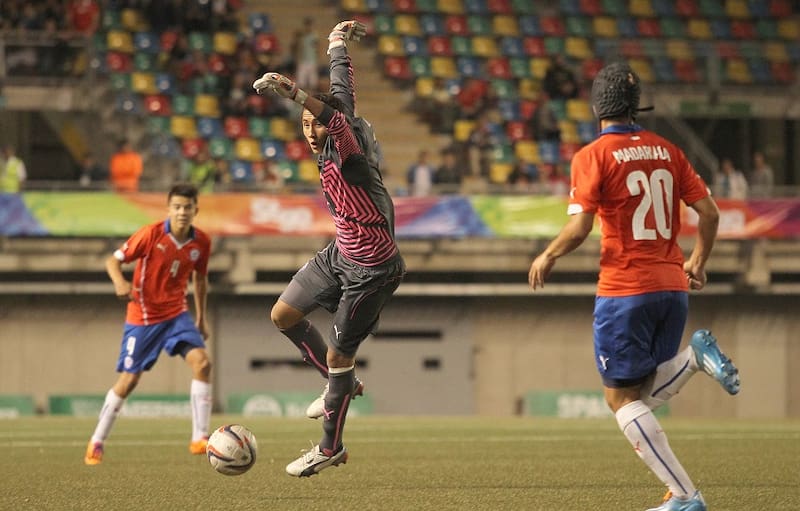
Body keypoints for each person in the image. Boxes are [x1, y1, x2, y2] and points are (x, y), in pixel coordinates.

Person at [528, 62, 740, 511]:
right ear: (636, 105)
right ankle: (694, 359)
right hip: (673, 287)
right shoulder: (668, 149)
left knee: (621, 401)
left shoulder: (592, 156)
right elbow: (711, 213)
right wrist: (697, 262)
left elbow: (581, 226)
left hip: (626, 289)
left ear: (596, 106)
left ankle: (686, 496)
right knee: (636, 396)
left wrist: (548, 254)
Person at [253, 20, 405, 477]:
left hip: (371, 269)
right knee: (283, 315)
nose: (309, 130)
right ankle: (341, 383)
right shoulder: (333, 130)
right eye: (304, 124)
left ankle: (329, 447)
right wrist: (336, 43)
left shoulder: (351, 153)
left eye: (314, 123)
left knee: (340, 356)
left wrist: (295, 93)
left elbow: (336, 116)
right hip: (340, 253)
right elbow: (342, 91)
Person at [83, 183, 213, 465]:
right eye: (177, 207)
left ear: (195, 210)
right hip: (143, 316)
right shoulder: (150, 234)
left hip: (177, 314)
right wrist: (120, 282)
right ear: (169, 209)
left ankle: (199, 438)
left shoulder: (201, 242)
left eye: (187, 207)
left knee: (202, 363)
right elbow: (112, 261)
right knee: (129, 381)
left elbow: (200, 280)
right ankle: (97, 440)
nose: (182, 212)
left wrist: (200, 317)